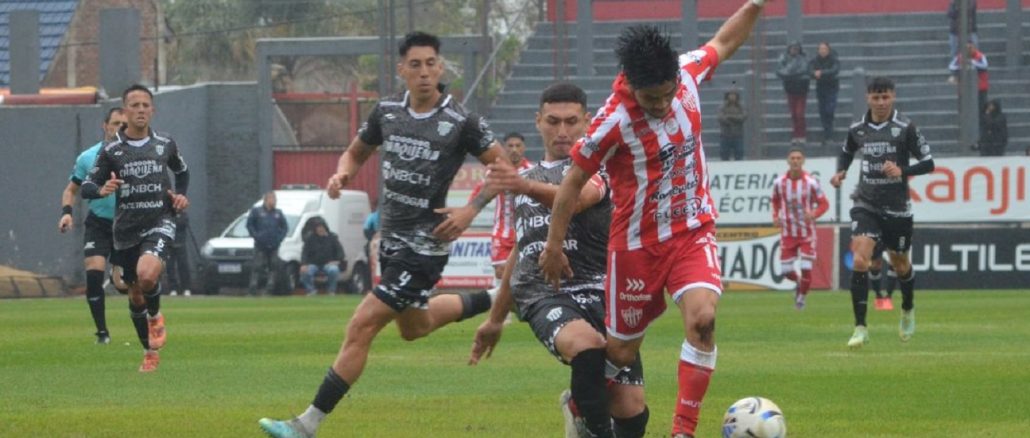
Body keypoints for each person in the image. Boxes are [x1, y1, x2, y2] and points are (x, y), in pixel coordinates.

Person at [259, 31, 510, 438]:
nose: (425, 72)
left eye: (431, 64)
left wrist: (470, 209)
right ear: (402, 69)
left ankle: (305, 425)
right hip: (391, 241)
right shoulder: (387, 111)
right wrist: (342, 173)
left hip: (426, 245)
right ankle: (498, 297)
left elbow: (503, 170)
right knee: (415, 327)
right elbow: (356, 152)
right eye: (416, 65)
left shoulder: (461, 121)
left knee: (362, 325)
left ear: (440, 68)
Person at [538, 3, 769, 436]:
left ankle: (683, 430)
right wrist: (553, 245)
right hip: (636, 247)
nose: (663, 104)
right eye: (651, 98)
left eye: (667, 93)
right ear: (631, 85)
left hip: (691, 231)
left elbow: (724, 41)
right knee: (621, 354)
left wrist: (754, 5)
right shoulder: (612, 121)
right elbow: (571, 184)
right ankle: (579, 403)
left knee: (703, 320)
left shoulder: (687, 72)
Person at [468, 83, 648, 438]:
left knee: (630, 410)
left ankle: (578, 405)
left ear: (587, 122)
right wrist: (495, 319)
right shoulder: (527, 180)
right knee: (587, 347)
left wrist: (522, 186)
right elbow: (522, 250)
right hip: (545, 293)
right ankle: (589, 422)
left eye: (571, 121)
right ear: (538, 121)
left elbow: (577, 198)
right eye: (553, 121)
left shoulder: (601, 169)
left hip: (602, 292)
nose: (562, 131)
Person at [81, 84, 190, 372]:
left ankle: (155, 317)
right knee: (134, 293)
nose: (141, 110)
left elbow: (182, 171)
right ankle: (149, 351)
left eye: (145, 105)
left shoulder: (165, 143)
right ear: (125, 111)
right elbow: (87, 187)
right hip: (126, 230)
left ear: (152, 110)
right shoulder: (111, 150)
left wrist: (181, 195)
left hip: (160, 220)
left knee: (147, 274)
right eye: (135, 105)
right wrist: (102, 188)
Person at [830, 76, 935, 349]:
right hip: (866, 203)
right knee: (861, 259)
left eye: (885, 96)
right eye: (875, 97)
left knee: (900, 265)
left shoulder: (905, 128)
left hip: (898, 208)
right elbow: (846, 152)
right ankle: (860, 327)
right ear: (868, 98)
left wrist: (903, 171)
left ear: (893, 97)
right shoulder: (858, 129)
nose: (880, 102)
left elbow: (928, 163)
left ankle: (907, 308)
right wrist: (841, 171)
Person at [58, 106, 128, 344]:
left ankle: (119, 273)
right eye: (116, 123)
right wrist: (66, 213)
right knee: (94, 274)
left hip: (127, 225)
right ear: (105, 126)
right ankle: (102, 333)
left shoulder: (136, 156)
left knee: (123, 286)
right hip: (98, 224)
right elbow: (71, 190)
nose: (120, 128)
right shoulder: (88, 158)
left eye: (124, 125)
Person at [467, 132, 534, 283]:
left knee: (526, 274)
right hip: (502, 231)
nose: (514, 149)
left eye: (518, 146)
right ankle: (503, 302)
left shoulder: (532, 170)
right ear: (504, 148)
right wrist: (468, 211)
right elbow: (479, 192)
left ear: (523, 148)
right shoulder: (496, 170)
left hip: (526, 231)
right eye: (510, 146)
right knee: (500, 273)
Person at [771, 148, 829, 310]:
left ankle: (801, 299)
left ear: (803, 161)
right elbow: (775, 200)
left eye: (798, 158)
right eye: (792, 158)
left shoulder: (811, 182)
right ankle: (799, 284)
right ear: (788, 161)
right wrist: (775, 216)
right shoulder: (779, 182)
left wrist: (814, 213)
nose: (795, 161)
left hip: (806, 233)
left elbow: (824, 203)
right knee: (786, 271)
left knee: (806, 267)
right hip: (788, 232)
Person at [247, 191, 288, 296]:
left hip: (274, 245)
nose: (274, 201)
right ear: (266, 200)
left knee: (273, 267)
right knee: (257, 266)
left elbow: (285, 228)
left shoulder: (278, 213)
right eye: (272, 199)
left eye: (275, 199)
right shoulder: (257, 211)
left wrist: (279, 238)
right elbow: (250, 225)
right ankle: (253, 288)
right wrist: (256, 236)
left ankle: (270, 288)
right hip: (260, 245)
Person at [776, 41, 810, 146]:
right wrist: (791, 73)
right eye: (792, 48)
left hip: (801, 90)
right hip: (790, 90)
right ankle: (796, 135)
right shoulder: (783, 59)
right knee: (794, 114)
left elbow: (804, 70)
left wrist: (790, 73)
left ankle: (802, 135)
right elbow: (780, 72)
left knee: (800, 114)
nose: (794, 50)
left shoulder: (804, 59)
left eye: (796, 48)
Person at [300, 218, 345, 296]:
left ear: (325, 227)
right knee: (305, 272)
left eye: (322, 227)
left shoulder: (332, 238)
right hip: (313, 264)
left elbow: (341, 252)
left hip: (328, 264)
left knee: (334, 270)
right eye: (318, 227)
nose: (320, 229)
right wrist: (303, 264)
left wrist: (337, 261)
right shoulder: (310, 238)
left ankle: (331, 291)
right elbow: (304, 253)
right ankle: (311, 291)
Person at [809, 41, 840, 146]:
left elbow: (835, 70)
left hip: (832, 88)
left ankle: (829, 134)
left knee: (829, 110)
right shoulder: (815, 60)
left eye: (824, 49)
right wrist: (814, 73)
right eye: (821, 49)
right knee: (823, 112)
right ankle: (827, 135)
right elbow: (809, 71)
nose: (823, 51)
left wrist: (821, 73)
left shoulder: (833, 59)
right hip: (821, 88)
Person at [948, 42, 989, 114]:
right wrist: (961, 67)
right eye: (966, 48)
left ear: (974, 48)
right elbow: (951, 66)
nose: (968, 50)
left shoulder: (980, 56)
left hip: (980, 88)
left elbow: (985, 66)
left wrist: (972, 62)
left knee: (981, 107)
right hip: (964, 88)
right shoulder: (960, 57)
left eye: (970, 48)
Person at [166, 211, 192, 297]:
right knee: (170, 268)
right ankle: (173, 289)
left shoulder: (183, 214)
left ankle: (186, 288)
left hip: (180, 244)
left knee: (183, 266)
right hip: (169, 244)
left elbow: (182, 223)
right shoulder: (167, 213)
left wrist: (174, 220)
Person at [717, 90, 746, 161]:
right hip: (725, 135)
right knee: (724, 154)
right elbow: (720, 117)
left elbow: (743, 116)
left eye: (734, 95)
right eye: (730, 95)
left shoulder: (740, 107)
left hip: (737, 135)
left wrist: (731, 117)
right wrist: (731, 120)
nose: (732, 97)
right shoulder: (722, 107)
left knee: (739, 153)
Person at [868, 241, 897, 311]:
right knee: (875, 265)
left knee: (895, 260)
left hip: (892, 232)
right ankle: (878, 296)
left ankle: (888, 297)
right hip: (877, 233)